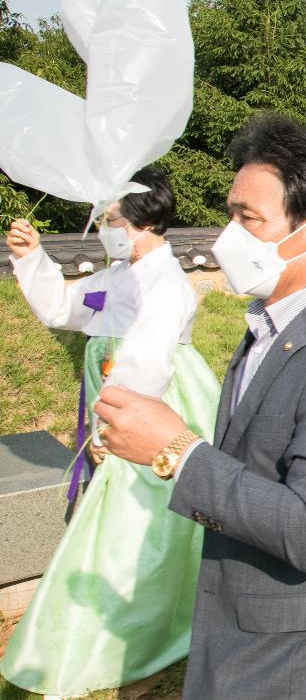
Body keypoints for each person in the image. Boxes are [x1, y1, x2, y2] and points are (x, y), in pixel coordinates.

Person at [92, 114, 306, 700]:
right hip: (251, 619)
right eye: (230, 213)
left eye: (249, 219)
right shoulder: (274, 322)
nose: (227, 236)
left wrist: (175, 452)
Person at [1, 168, 219, 698]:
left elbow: (147, 360)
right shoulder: (118, 272)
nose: (105, 228)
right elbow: (65, 308)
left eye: (114, 218)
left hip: (152, 400)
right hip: (116, 394)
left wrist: (113, 426)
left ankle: (144, 643)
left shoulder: (164, 282)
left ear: (145, 221)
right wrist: (32, 257)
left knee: (142, 518)